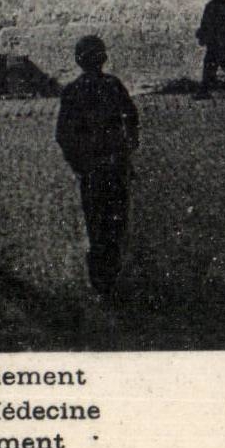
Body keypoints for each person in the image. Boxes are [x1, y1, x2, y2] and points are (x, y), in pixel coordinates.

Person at [56, 35, 139, 301]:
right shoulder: (113, 85)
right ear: (103, 58)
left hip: (92, 169)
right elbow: (131, 116)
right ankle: (110, 274)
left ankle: (100, 279)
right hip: (114, 166)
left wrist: (78, 163)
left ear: (78, 60)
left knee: (96, 222)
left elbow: (63, 135)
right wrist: (127, 150)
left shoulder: (71, 91)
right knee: (116, 220)